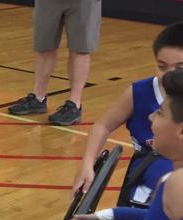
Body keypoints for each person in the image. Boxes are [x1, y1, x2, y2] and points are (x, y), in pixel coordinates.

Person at [34, 68, 183, 220]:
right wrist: (111, 216)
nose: (149, 118)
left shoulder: (179, 185)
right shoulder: (174, 177)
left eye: (159, 113)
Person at [72, 23, 183, 206]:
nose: (168, 74)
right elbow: (103, 125)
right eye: (162, 66)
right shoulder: (138, 92)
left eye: (179, 68)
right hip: (145, 173)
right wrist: (87, 162)